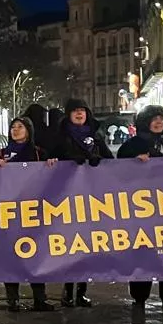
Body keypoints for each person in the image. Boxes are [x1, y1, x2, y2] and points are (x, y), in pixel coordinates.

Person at [119, 106, 163, 311]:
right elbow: (117, 169)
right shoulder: (133, 144)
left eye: (162, 119)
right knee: (142, 248)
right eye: (154, 119)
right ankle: (140, 293)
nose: (158, 123)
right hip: (142, 207)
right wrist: (133, 162)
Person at [51, 99, 110, 307]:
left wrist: (98, 159)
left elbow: (111, 160)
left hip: (92, 198)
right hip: (67, 198)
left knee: (87, 245)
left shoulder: (95, 135)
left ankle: (82, 291)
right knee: (70, 245)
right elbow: (51, 158)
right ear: (68, 115)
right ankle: (67, 290)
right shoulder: (60, 137)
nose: (79, 114)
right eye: (74, 111)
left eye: (82, 110)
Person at [0, 117, 54, 312]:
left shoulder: (39, 153)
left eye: (20, 127)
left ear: (29, 130)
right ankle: (12, 298)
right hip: (11, 211)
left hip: (35, 211)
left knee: (36, 253)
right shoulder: (2, 154)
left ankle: (40, 298)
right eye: (13, 127)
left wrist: (53, 163)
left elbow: (54, 176)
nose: (16, 130)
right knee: (11, 253)